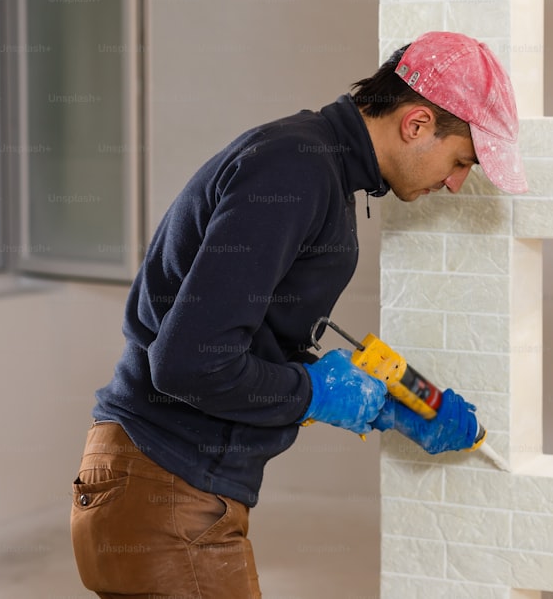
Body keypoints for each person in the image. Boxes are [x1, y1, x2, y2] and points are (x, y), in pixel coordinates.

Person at [70, 31, 527, 599]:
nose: (457, 183)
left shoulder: (318, 169)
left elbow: (242, 342)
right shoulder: (295, 171)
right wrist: (315, 392)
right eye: (461, 160)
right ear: (416, 124)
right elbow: (189, 363)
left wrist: (383, 405)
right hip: (166, 491)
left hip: (164, 487)